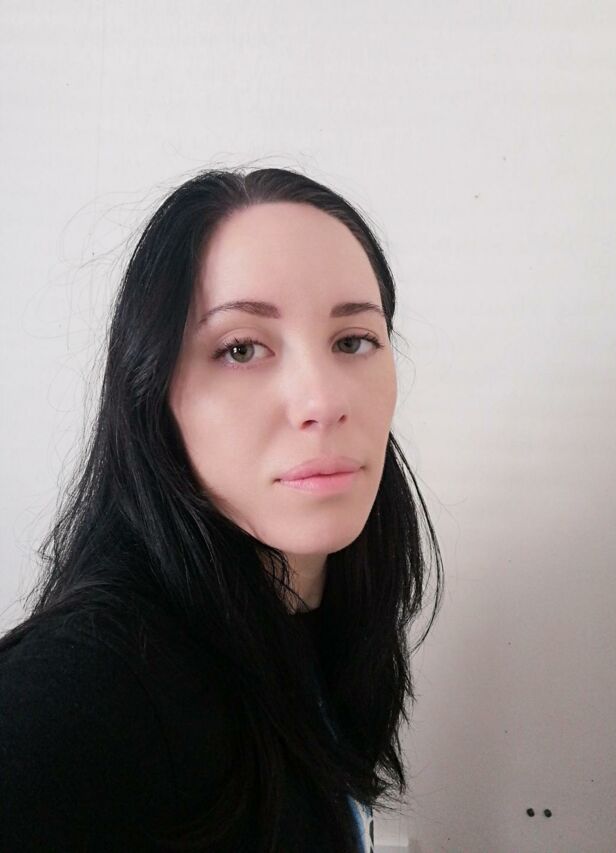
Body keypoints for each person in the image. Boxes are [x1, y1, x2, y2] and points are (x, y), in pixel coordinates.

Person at [0, 167, 444, 852]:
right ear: (154, 392)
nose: (323, 400)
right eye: (241, 348)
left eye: (353, 340)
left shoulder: (328, 622)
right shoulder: (86, 687)